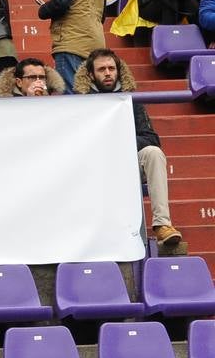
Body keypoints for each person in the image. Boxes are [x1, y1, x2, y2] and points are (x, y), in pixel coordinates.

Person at [73, 48, 182, 247]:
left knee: (153, 153)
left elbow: (151, 138)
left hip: (127, 162)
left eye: (111, 68)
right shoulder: (79, 102)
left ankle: (162, 225)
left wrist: (121, 142)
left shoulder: (132, 100)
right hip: (93, 166)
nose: (107, 73)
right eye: (102, 69)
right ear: (91, 74)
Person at [0, 56, 66, 97]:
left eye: (41, 77)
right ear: (19, 82)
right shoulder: (7, 103)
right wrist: (29, 100)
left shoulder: (55, 98)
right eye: (32, 77)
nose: (38, 81)